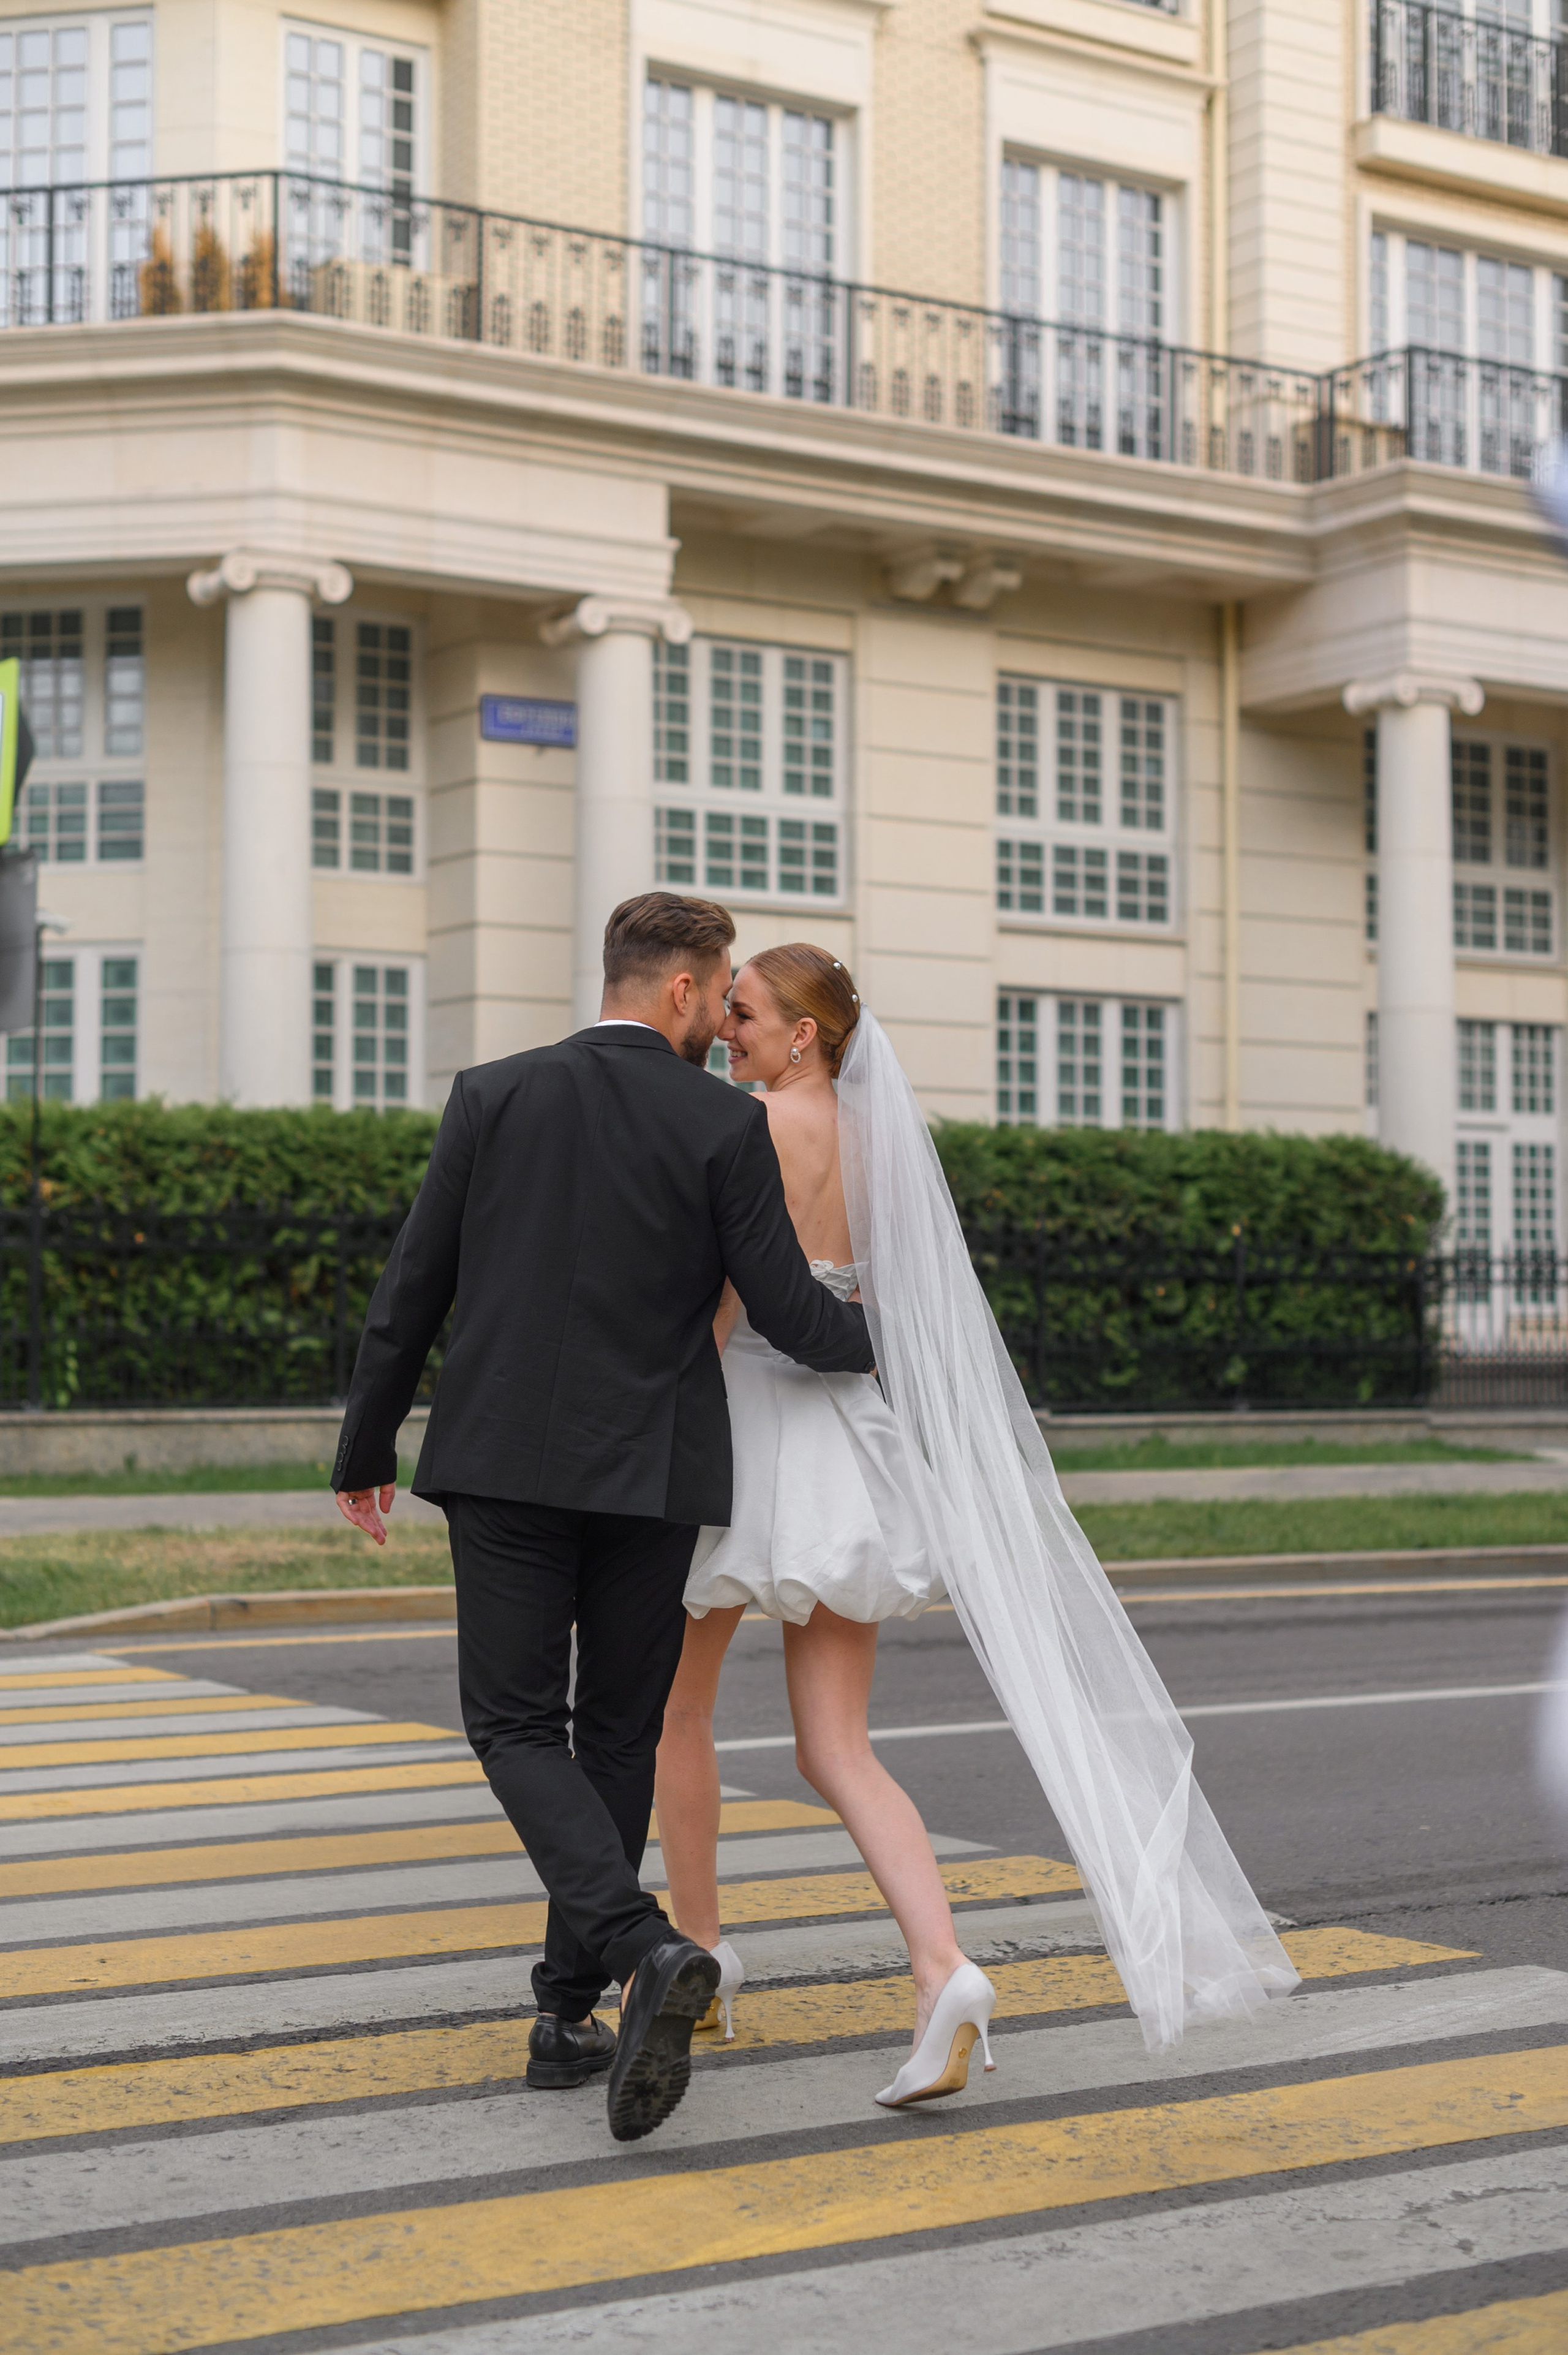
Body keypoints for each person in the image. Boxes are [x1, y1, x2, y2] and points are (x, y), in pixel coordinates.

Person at [655, 944, 1299, 2102]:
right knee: (838, 1747)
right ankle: (942, 1966)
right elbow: (885, 1302)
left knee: (676, 1709)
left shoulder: (752, 1132)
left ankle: (697, 1960)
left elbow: (727, 1303)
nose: (726, 1031)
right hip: (850, 1440)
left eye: (744, 1015)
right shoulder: (878, 1142)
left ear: (804, 1033)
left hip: (745, 1438)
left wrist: (653, 1420)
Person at [330, 893, 875, 2144]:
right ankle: (567, 2012)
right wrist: (902, 1353)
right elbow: (789, 1307)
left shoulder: (492, 1093)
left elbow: (415, 1281)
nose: (722, 1011)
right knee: (616, 1730)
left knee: (514, 1719)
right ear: (683, 991)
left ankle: (631, 1950)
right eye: (722, 985)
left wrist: (367, 1444)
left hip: (507, 1460)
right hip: (654, 1471)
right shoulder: (717, 1121)